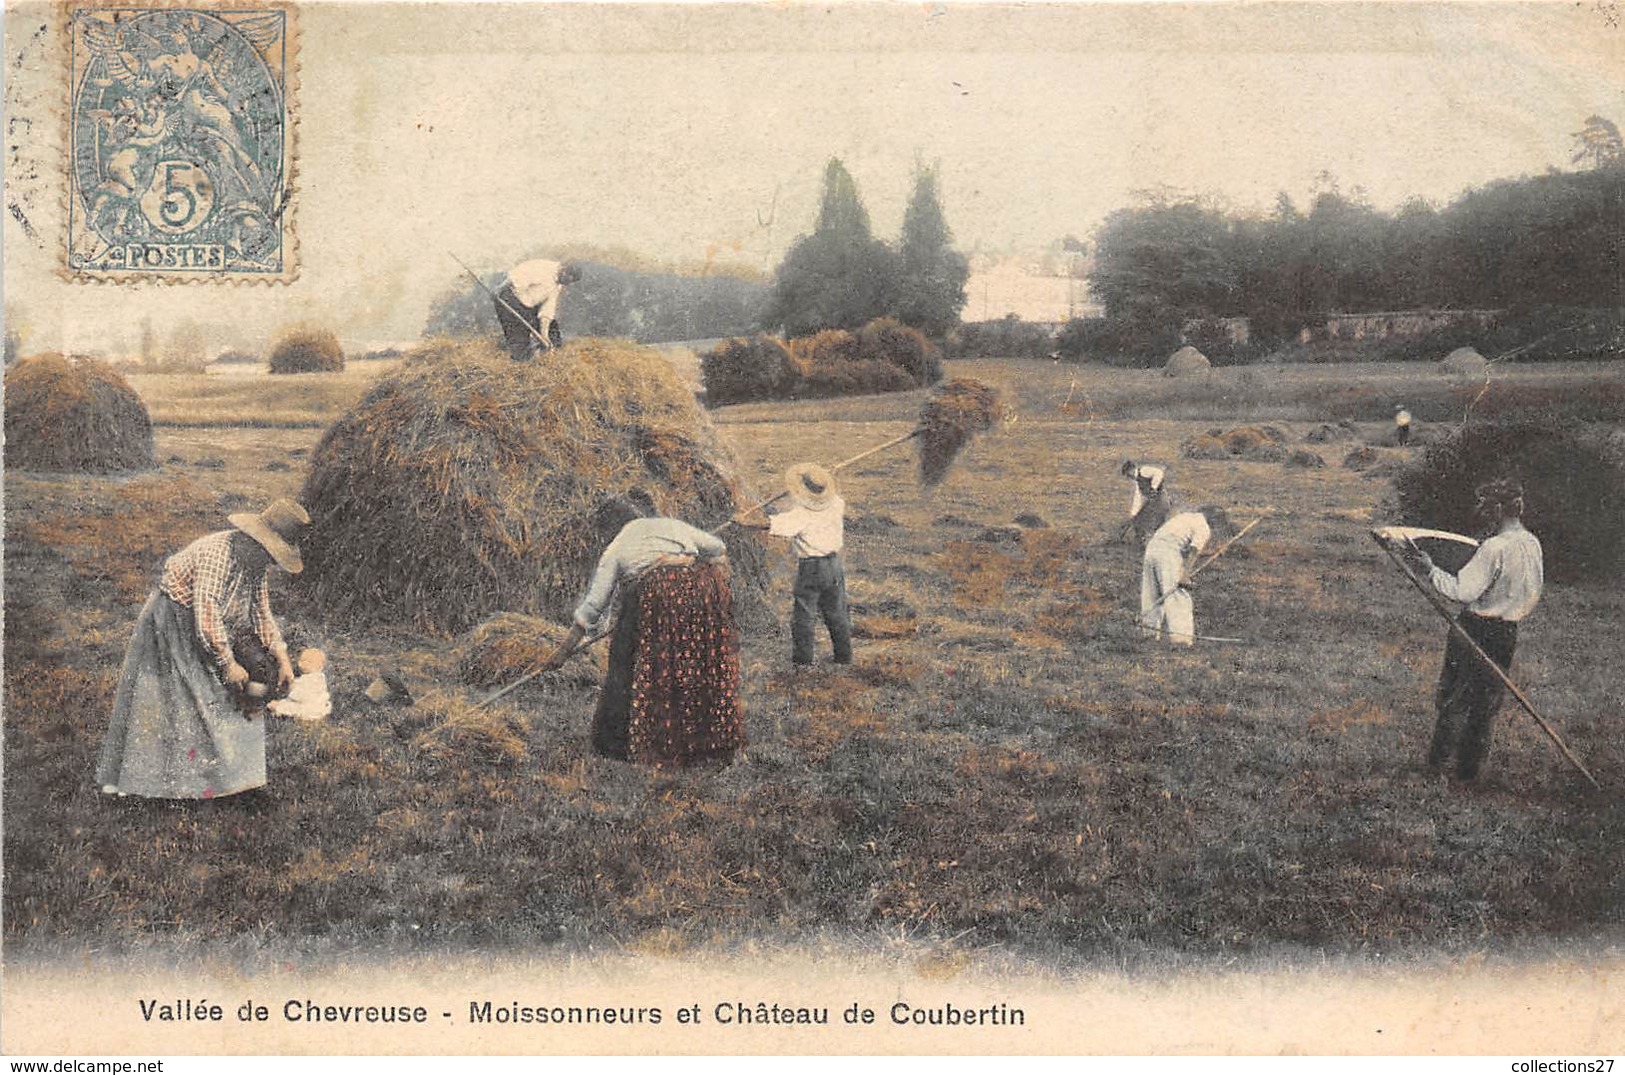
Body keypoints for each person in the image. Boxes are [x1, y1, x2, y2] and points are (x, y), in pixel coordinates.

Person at [96, 499, 309, 800]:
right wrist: (228, 662)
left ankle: (224, 781)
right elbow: (207, 613)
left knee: (221, 697)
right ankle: (149, 780)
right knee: (171, 698)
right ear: (253, 539)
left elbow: (261, 612)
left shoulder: (255, 565)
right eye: (268, 552)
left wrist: (282, 658)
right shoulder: (216, 553)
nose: (269, 561)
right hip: (172, 619)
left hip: (208, 627)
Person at [539, 493, 742, 767]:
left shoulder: (617, 546)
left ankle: (618, 743)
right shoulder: (670, 525)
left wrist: (563, 652)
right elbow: (717, 546)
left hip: (659, 597)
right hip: (701, 596)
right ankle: (702, 742)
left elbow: (594, 604)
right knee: (691, 665)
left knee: (626, 659)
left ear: (611, 527)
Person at [1397, 478, 1543, 781]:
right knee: (1485, 702)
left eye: (1486, 506)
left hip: (1475, 630)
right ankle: (1468, 772)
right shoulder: (1531, 543)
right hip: (1507, 633)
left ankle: (1436, 767)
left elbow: (1462, 591)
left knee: (1455, 698)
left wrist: (1429, 569)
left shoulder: (1494, 548)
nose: (1482, 512)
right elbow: (1532, 591)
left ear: (1499, 509)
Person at [735, 463, 852, 668]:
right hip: (834, 565)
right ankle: (844, 658)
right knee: (837, 613)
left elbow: (770, 524)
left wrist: (743, 522)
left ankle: (803, 662)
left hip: (812, 568)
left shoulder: (800, 515)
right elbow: (831, 495)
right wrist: (825, 478)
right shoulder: (837, 503)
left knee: (804, 616)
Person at [1139, 507, 1211, 646]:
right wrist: (1185, 575)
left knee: (1152, 593)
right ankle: (1181, 640)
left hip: (1152, 550)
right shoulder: (1204, 526)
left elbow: (1181, 542)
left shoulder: (1186, 516)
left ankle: (1150, 634)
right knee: (1178, 594)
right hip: (1168, 553)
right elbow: (1193, 550)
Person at [494, 259, 581, 361]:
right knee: (519, 337)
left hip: (527, 304)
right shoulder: (543, 268)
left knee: (553, 331)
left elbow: (547, 309)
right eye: (568, 280)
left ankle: (547, 359)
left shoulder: (558, 284)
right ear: (564, 270)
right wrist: (499, 289)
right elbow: (515, 279)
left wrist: (544, 335)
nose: (567, 284)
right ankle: (520, 362)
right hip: (509, 296)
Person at [267, 647, 331, 722]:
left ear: (318, 665)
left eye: (305, 661)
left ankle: (275, 710)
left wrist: (291, 685)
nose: (300, 664)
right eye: (300, 660)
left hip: (307, 709)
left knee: (283, 706)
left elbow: (298, 696)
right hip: (317, 707)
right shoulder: (319, 677)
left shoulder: (310, 679)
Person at [1120, 460, 1170, 545]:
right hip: (1151, 503)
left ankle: (1161, 542)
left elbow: (1159, 472)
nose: (1129, 477)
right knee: (1139, 519)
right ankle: (1140, 541)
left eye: (1128, 475)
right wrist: (1133, 515)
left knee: (1158, 521)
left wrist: (1154, 487)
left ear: (1131, 470)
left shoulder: (1144, 471)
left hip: (1161, 499)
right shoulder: (1138, 482)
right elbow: (1138, 498)